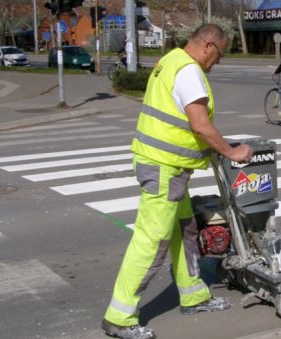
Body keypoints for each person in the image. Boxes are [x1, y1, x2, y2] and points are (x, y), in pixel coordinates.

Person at [101, 24, 254, 339]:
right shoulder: (188, 70)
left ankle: (193, 294)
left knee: (184, 229)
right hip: (163, 169)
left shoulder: (170, 60)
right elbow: (199, 123)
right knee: (152, 241)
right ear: (208, 45)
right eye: (220, 55)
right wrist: (230, 151)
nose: (219, 62)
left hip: (168, 167)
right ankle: (120, 316)